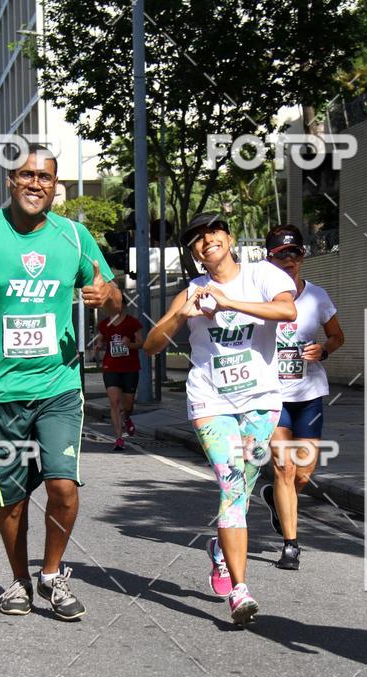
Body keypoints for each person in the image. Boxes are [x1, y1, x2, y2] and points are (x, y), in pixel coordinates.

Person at [0, 142, 121, 620]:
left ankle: (51, 574)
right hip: (0, 389)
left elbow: (112, 295)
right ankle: (18, 581)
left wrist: (103, 295)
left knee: (63, 486)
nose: (36, 184)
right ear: (10, 181)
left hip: (59, 384)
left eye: (46, 177)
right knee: (11, 499)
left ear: (56, 187)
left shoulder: (74, 237)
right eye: (27, 175)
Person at [144, 212, 296, 624]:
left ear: (228, 238)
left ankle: (219, 549)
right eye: (196, 238)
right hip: (211, 401)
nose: (206, 240)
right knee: (231, 488)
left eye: (212, 232)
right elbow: (152, 344)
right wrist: (181, 314)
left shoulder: (264, 275)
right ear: (194, 253)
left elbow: (287, 313)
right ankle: (241, 592)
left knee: (244, 490)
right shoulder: (192, 289)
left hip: (261, 401)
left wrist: (229, 302)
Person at [259, 224, 345, 570]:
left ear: (302, 257)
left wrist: (323, 351)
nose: (289, 260)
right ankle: (290, 545)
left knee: (303, 474)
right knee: (283, 467)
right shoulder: (261, 297)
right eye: (282, 254)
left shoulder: (317, 296)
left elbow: (338, 335)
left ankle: (278, 502)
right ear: (270, 258)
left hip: (309, 393)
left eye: (295, 253)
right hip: (273, 396)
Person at [94, 299, 143, 450]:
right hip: (111, 367)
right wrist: (98, 345)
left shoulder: (132, 323)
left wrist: (130, 344)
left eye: (118, 303)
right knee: (114, 402)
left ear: (124, 305)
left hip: (130, 367)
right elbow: (100, 340)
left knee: (128, 405)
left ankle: (126, 417)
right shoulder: (104, 324)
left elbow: (141, 343)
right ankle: (118, 438)